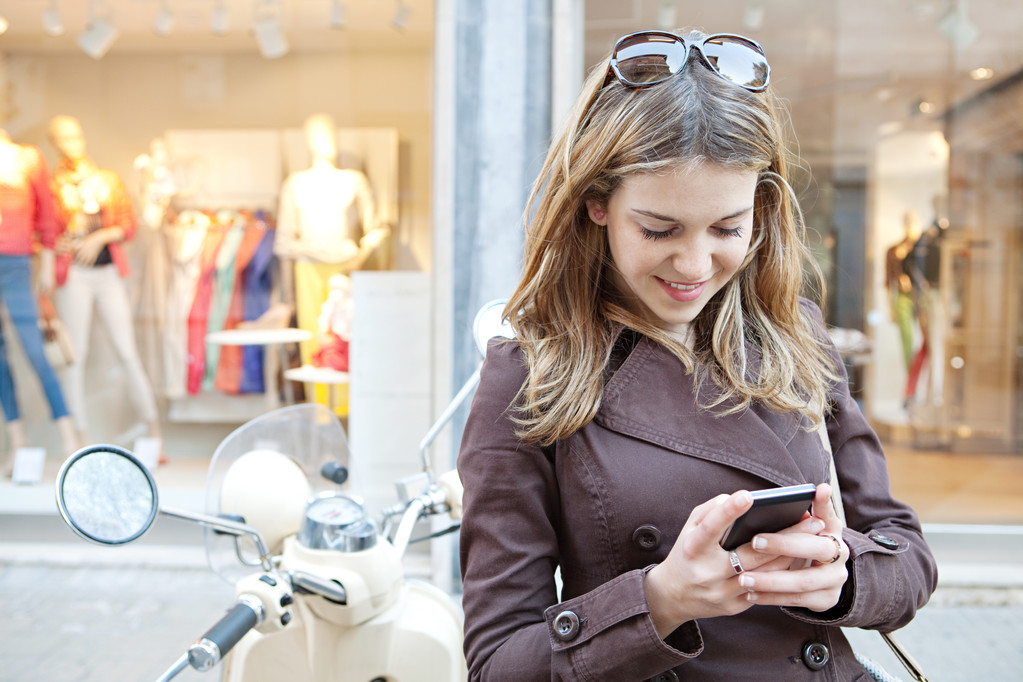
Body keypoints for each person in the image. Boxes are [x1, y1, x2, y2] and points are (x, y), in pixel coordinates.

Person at [457, 29, 937, 680]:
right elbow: (497, 663)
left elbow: (907, 558)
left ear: (760, 209)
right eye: (658, 229)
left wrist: (842, 574)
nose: (692, 264)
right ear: (596, 201)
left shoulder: (793, 333)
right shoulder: (530, 374)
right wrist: (658, 602)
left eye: (726, 229)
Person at [47, 115, 162, 453]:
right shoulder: (55, 186)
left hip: (108, 272)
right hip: (74, 277)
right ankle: (80, 438)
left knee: (127, 351)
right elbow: (47, 231)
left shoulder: (107, 180)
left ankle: (155, 432)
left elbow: (127, 224)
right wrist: (59, 243)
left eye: (75, 136)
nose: (73, 144)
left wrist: (99, 237)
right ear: (55, 144)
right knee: (75, 356)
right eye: (63, 139)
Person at [0, 128, 80, 474]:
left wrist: (47, 261)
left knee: (36, 351)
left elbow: (47, 216)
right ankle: (18, 443)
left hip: (17, 263)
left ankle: (70, 438)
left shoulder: (28, 158)